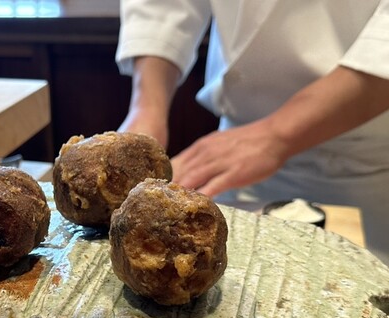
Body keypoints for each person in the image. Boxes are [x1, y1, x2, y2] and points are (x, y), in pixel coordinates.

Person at [116, 0, 389, 265]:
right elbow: (163, 6)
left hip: (358, 167)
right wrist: (146, 109)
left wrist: (276, 135)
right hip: (231, 162)